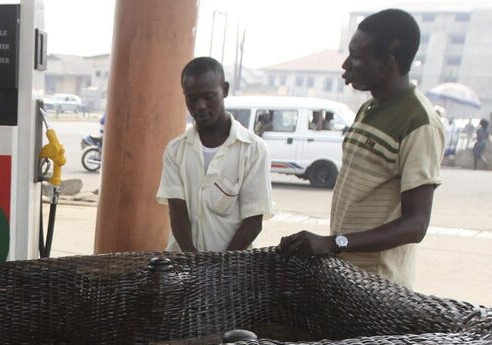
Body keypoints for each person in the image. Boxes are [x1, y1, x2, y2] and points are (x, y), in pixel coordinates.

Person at [278, 8, 444, 289]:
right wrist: (334, 246)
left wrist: (335, 243)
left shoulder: (420, 122)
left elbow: (416, 225)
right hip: (347, 276)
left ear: (387, 64)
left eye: (356, 57)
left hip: (379, 285)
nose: (346, 65)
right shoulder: (368, 109)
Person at [157, 57, 274, 253]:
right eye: (192, 99)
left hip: (231, 271)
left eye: (208, 96)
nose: (200, 106)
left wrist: (218, 268)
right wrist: (193, 261)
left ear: (225, 90)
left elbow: (253, 222)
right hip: (183, 265)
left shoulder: (253, 150)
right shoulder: (175, 150)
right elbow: (177, 210)